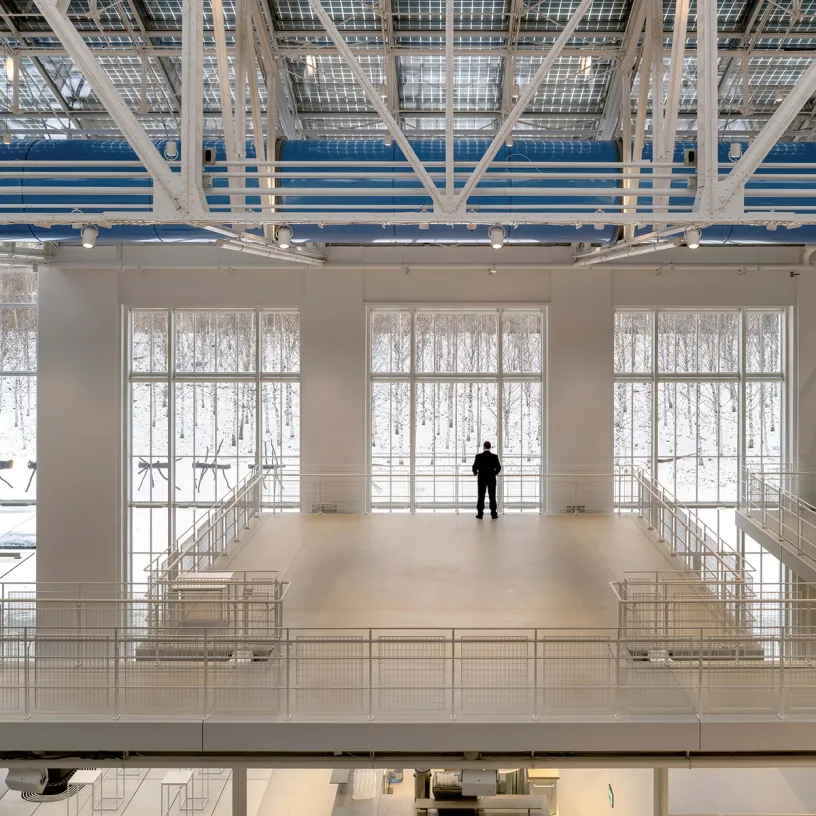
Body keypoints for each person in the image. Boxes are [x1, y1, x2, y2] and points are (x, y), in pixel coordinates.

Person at [472, 441, 501, 520]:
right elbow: (498, 467)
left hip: (481, 478)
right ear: (490, 447)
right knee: (492, 496)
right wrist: (495, 473)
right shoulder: (494, 457)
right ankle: (494, 514)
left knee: (481, 496)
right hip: (491, 478)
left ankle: (480, 514)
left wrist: (475, 473)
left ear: (484, 447)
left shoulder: (478, 456)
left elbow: (474, 467)